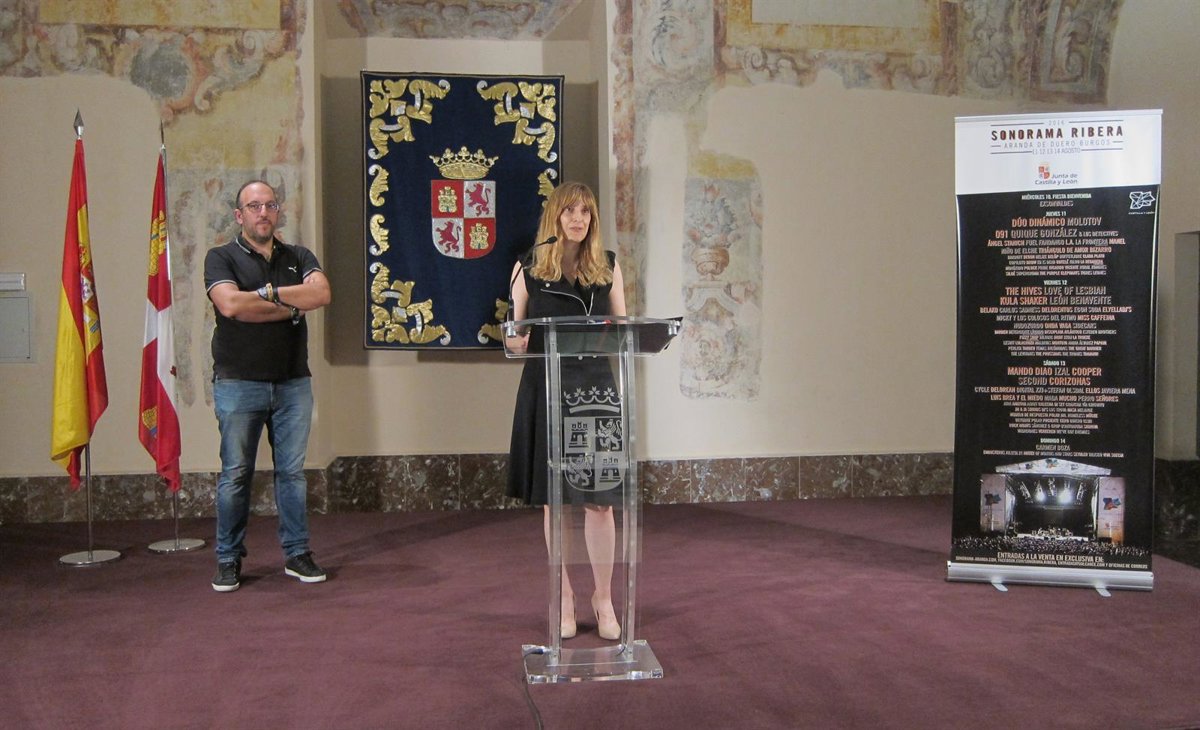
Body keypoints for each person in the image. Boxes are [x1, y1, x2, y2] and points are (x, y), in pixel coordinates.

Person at [506, 181, 626, 640]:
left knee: (600, 501)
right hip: (547, 386)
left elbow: (625, 328)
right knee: (555, 502)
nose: (578, 219)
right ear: (554, 217)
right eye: (569, 211)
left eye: (585, 212)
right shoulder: (529, 267)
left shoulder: (607, 266)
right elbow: (513, 333)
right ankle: (565, 597)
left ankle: (603, 597)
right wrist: (515, 341)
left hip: (595, 389)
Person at [203, 180, 332, 592]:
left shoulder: (299, 256)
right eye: (254, 206)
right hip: (238, 383)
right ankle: (228, 558)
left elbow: (321, 294)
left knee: (291, 474)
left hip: (292, 382)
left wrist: (266, 295)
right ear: (239, 215)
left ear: (278, 212)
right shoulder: (220, 257)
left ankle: (297, 553)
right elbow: (231, 305)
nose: (263, 212)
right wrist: (290, 306)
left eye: (270, 205)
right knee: (236, 474)